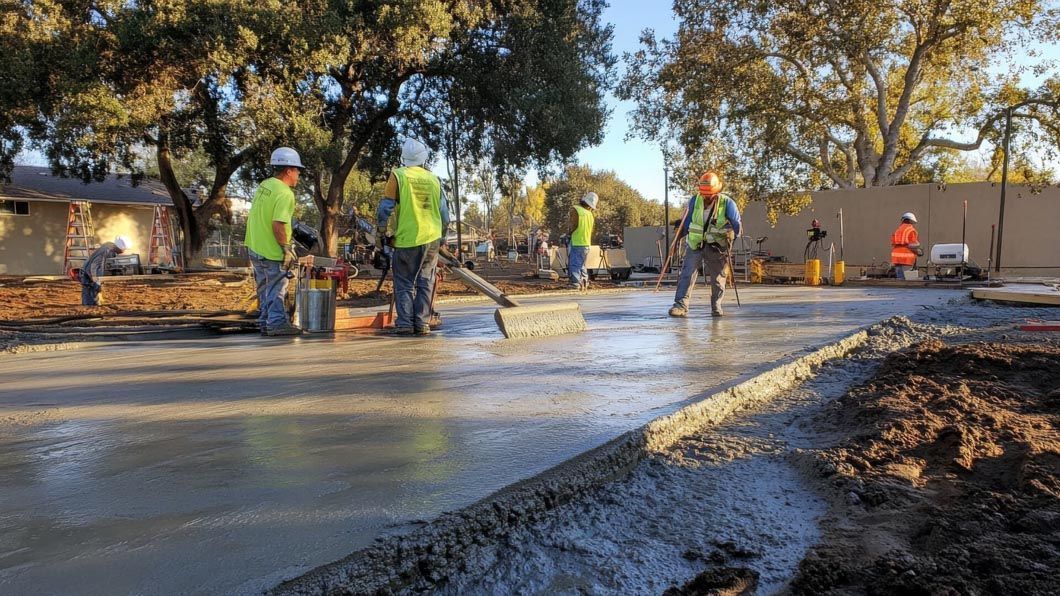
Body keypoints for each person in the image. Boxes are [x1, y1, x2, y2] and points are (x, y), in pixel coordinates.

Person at [376, 138, 451, 336]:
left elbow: (386, 207)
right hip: (432, 238)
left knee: (404, 283)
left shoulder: (398, 176)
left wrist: (381, 231)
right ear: (423, 158)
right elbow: (445, 214)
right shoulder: (434, 179)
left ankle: (405, 324)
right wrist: (442, 237)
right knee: (426, 281)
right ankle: (422, 323)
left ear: (404, 158)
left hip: (408, 239)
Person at [244, 147, 304, 336]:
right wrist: (286, 248)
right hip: (271, 249)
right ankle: (277, 323)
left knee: (263, 286)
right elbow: (278, 223)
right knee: (278, 286)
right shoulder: (285, 193)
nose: (298, 175)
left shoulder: (265, 185)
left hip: (255, 245)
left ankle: (264, 321)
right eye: (297, 170)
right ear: (288, 170)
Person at [668, 171, 742, 318]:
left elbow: (737, 225)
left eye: (709, 195)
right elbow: (686, 223)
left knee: (718, 278)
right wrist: (676, 241)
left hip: (716, 245)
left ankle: (716, 306)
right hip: (695, 244)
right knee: (687, 274)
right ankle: (680, 306)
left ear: (717, 191)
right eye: (704, 194)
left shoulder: (727, 203)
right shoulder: (694, 201)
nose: (707, 197)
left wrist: (732, 237)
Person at [80, 236, 130, 306]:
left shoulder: (110, 249)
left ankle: (94, 303)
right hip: (88, 271)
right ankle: (88, 307)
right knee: (90, 289)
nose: (123, 251)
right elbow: (94, 264)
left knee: (96, 288)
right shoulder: (106, 250)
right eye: (123, 249)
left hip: (93, 271)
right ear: (119, 247)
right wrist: (94, 277)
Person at [566, 192, 598, 290]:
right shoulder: (590, 215)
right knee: (582, 264)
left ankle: (575, 283)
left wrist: (568, 234)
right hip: (586, 243)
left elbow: (573, 226)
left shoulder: (576, 209)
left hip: (577, 242)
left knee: (575, 264)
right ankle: (584, 281)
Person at [891, 212, 922, 280]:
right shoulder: (911, 230)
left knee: (900, 279)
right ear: (911, 221)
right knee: (908, 280)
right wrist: (918, 252)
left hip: (896, 257)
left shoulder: (897, 231)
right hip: (906, 258)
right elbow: (912, 245)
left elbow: (894, 242)